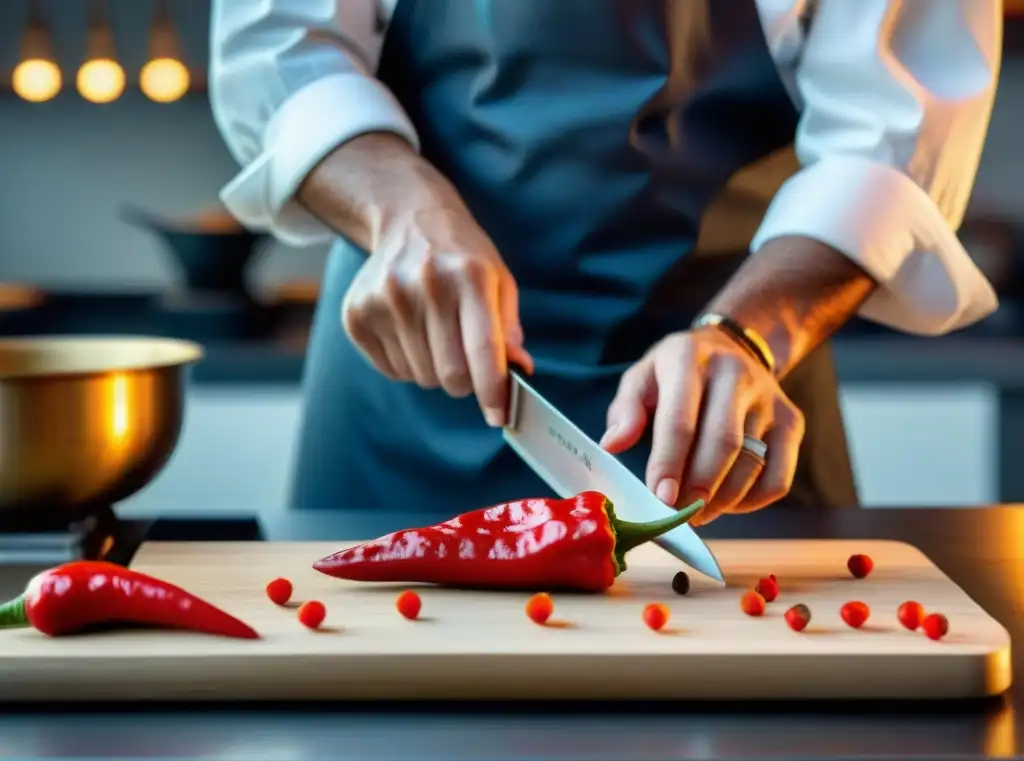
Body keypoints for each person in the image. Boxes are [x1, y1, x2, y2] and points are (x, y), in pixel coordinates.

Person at [209, 0, 1000, 528]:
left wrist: (744, 336)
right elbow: (280, 50)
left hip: (730, 416)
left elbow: (891, 137)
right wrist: (402, 211)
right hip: (406, 396)